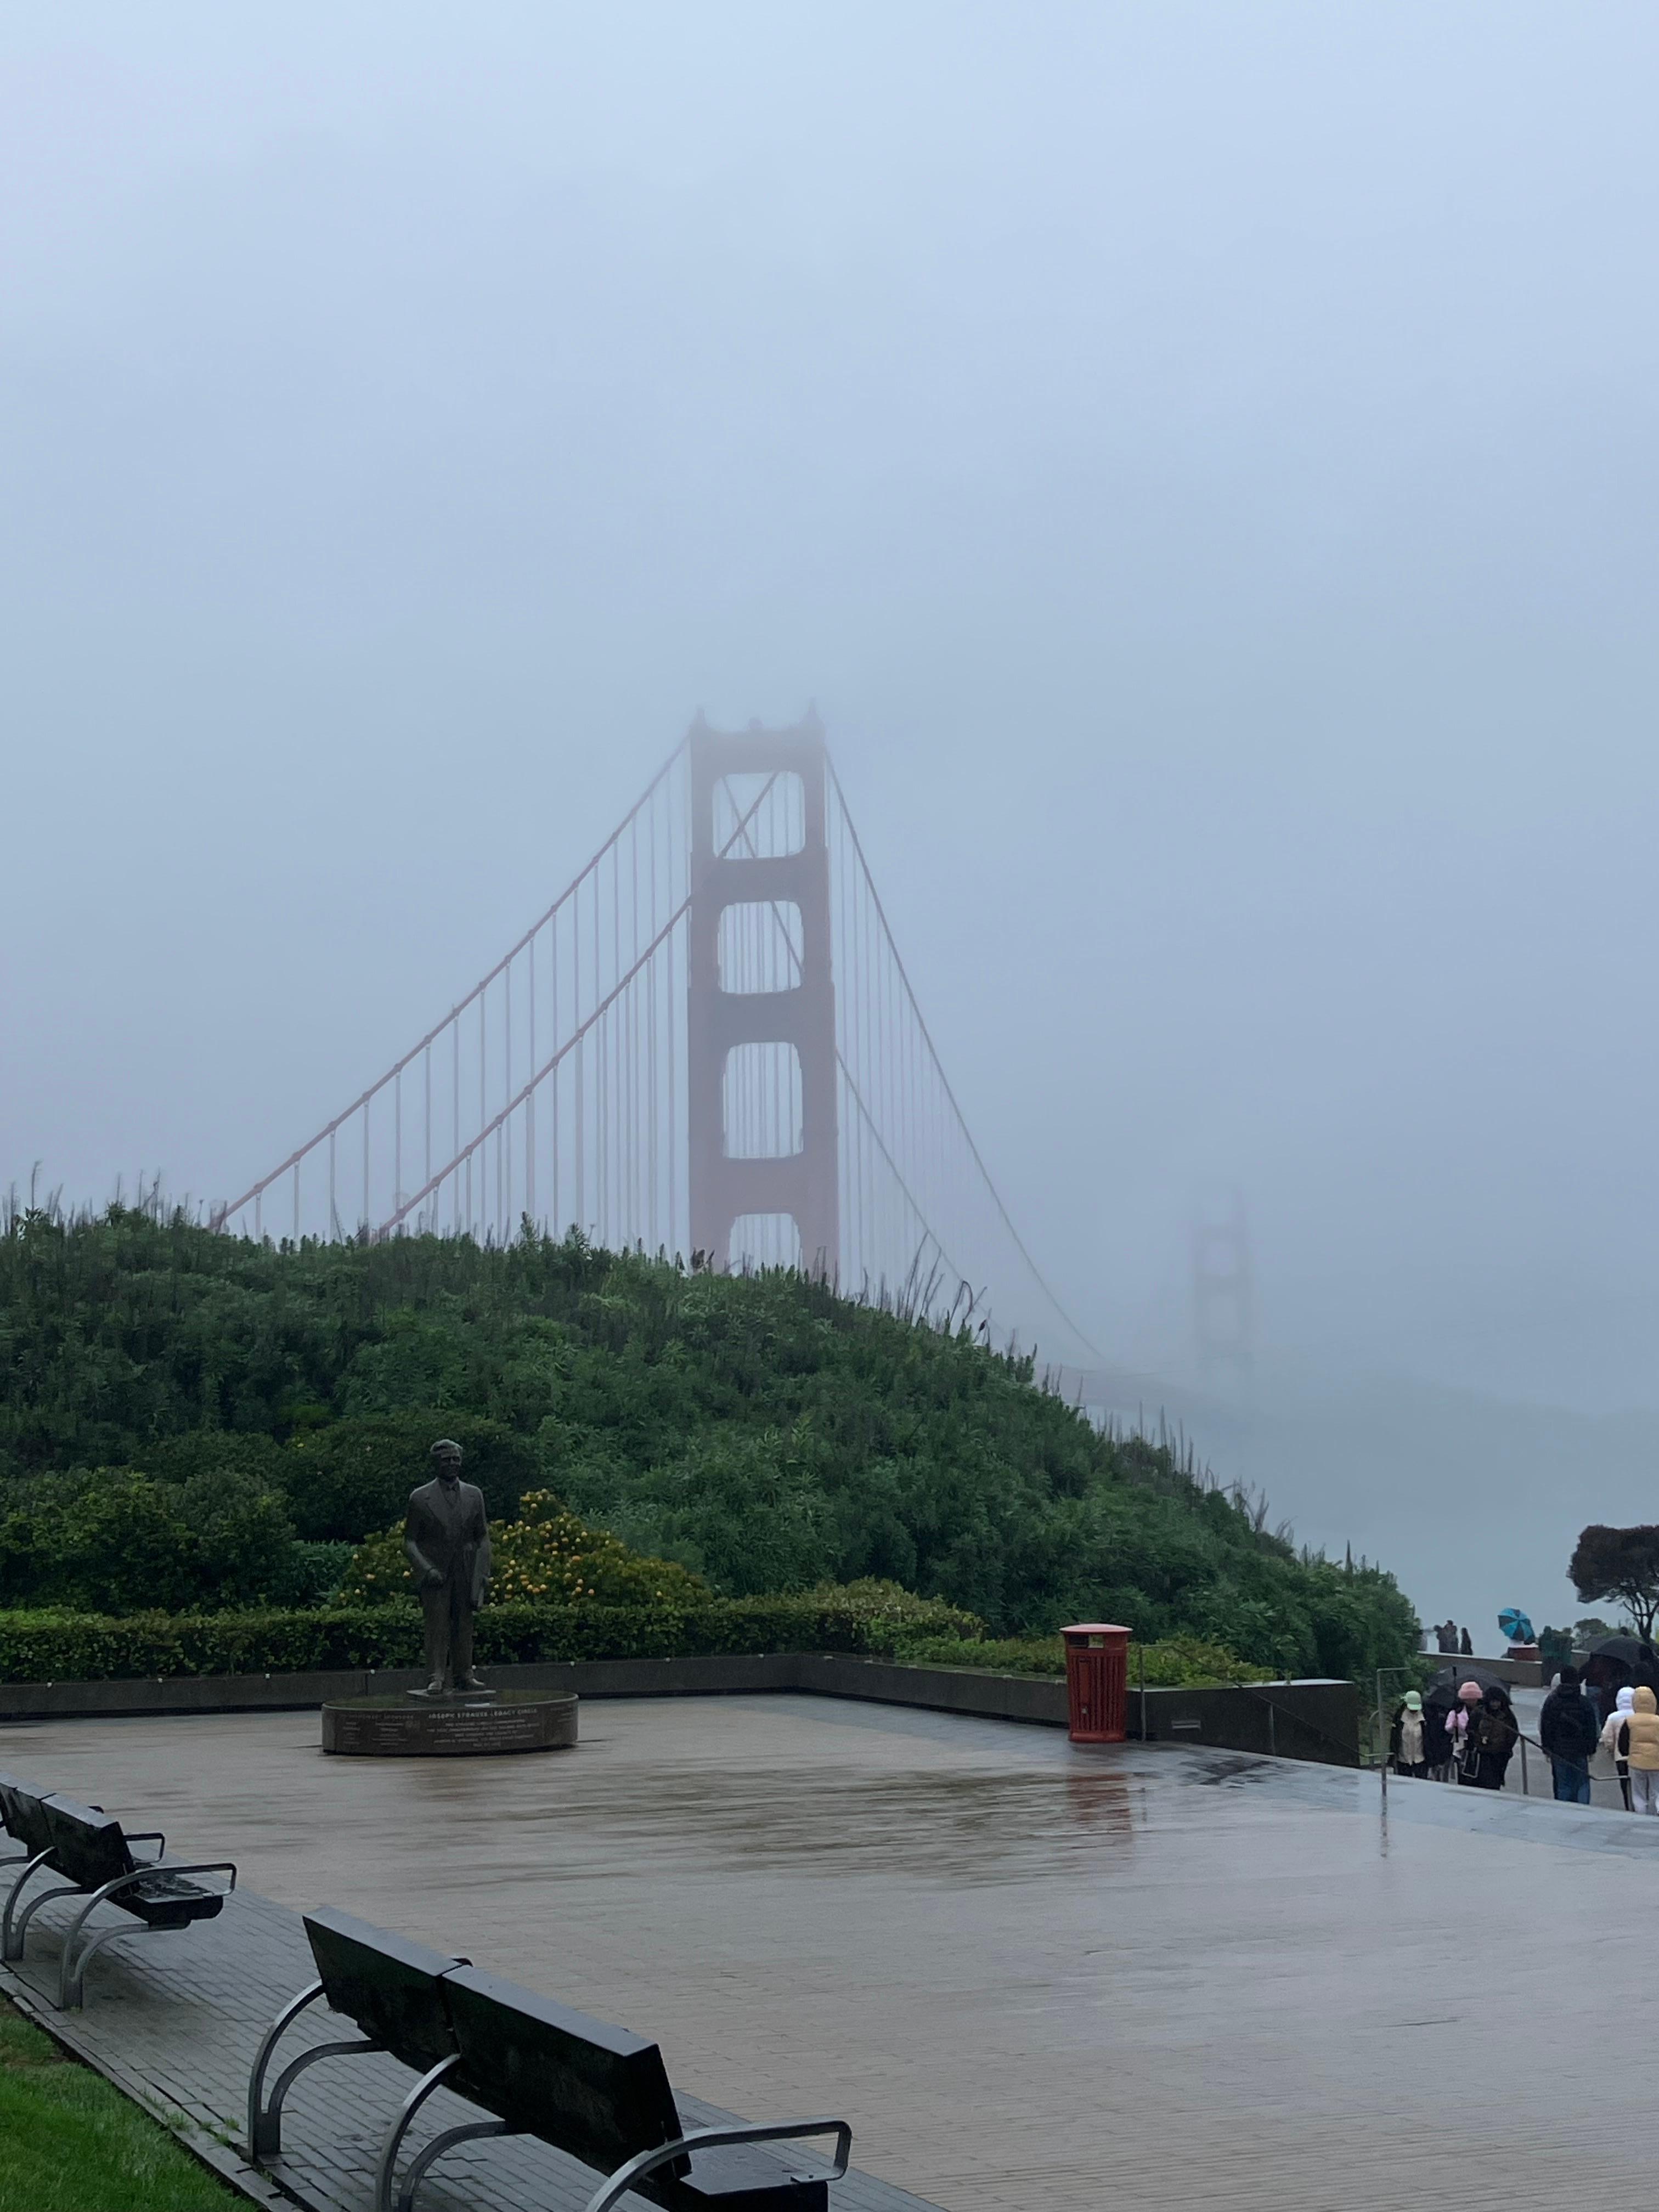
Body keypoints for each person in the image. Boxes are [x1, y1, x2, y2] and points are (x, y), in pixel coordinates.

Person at [403, 1437, 493, 1697]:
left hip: (466, 1569)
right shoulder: (420, 1498)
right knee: (437, 1626)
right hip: (436, 1573)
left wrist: (482, 1572)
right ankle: (436, 1677)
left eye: (456, 1459)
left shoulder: (474, 1494)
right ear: (435, 1464)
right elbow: (409, 1542)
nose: (453, 1464)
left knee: (464, 1625)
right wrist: (426, 1569)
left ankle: (465, 1675)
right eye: (446, 1460)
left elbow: (482, 1536)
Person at [1538, 1663, 1599, 1804]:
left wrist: (1547, 1748)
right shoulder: (1584, 1702)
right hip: (1580, 1749)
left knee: (1563, 1783)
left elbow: (1546, 1726)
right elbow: (1591, 1727)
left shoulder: (1552, 1701)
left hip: (1559, 1750)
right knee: (1582, 1782)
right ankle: (1583, 1809)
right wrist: (1591, 1749)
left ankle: (1564, 1811)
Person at [1460, 1684, 1517, 1790]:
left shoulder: (1508, 1715)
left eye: (1497, 1701)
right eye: (1493, 1701)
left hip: (1499, 1756)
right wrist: (1479, 1740)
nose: (1495, 1704)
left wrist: (1505, 1748)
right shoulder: (1479, 1712)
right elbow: (1470, 1730)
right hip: (1482, 1755)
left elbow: (1513, 1734)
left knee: (1494, 1783)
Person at [1600, 1685, 1636, 1810]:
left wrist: (1611, 1749)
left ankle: (1628, 1804)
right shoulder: (1638, 1716)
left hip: (1620, 1756)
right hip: (1638, 1756)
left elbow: (1607, 1736)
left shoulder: (1613, 1717)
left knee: (1624, 1781)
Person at [1625, 1685, 1659, 1815]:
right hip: (1656, 1761)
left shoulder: (1629, 1721)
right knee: (1657, 1792)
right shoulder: (1658, 1721)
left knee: (1638, 1794)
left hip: (1636, 1761)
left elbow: (1623, 1742)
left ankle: (1641, 1816)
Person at [1390, 1690, 1430, 1778]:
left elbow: (1429, 1739)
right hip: (1403, 1760)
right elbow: (1394, 1737)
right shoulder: (1399, 1718)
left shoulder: (1425, 1719)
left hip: (1420, 1760)